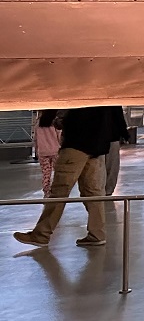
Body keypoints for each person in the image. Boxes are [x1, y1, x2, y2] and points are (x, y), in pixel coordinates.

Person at [14, 106, 115, 247]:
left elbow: (62, 119)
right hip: (97, 146)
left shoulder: (75, 92)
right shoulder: (101, 92)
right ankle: (97, 233)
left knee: (60, 190)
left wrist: (56, 118)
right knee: (93, 192)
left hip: (76, 144)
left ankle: (41, 234)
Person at [34, 110, 62, 197]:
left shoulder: (38, 124)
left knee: (46, 173)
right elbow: (59, 137)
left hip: (42, 152)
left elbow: (35, 139)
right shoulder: (54, 123)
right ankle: (56, 191)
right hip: (55, 151)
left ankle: (46, 192)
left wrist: (36, 150)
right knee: (57, 172)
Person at [104, 106, 128, 196]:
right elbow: (119, 118)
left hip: (107, 136)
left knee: (106, 165)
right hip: (110, 136)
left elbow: (119, 118)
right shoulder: (113, 104)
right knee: (111, 165)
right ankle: (107, 190)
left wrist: (124, 133)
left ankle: (105, 190)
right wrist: (125, 134)